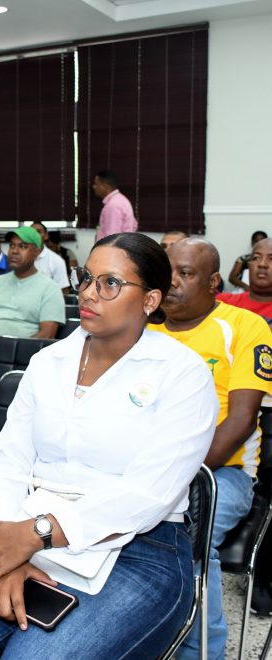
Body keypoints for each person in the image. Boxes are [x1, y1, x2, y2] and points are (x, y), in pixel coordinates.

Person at [0, 232, 219, 660]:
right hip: (21, 525)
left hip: (137, 547)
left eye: (110, 283)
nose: (89, 293)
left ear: (150, 300)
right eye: (86, 278)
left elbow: (148, 495)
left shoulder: (182, 373)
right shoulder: (49, 362)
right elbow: (9, 461)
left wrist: (35, 536)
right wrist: (6, 547)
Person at [148, 237, 272, 660]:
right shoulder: (143, 330)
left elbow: (239, 423)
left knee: (191, 532)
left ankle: (202, 652)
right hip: (144, 466)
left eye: (185, 274)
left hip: (219, 474)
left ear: (214, 282)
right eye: (167, 274)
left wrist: (168, 474)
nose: (172, 283)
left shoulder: (244, 326)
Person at [0, 227, 64, 373]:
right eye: (12, 245)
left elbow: (47, 336)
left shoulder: (50, 288)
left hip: (22, 364)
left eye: (22, 246)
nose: (14, 251)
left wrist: (2, 357)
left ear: (36, 252)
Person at [218, 237, 272, 324]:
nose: (262, 264)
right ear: (249, 266)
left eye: (271, 259)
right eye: (256, 258)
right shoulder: (222, 302)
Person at [92, 170, 138, 242]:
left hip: (113, 248)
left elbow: (112, 239)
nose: (94, 187)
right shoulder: (120, 200)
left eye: (96, 184)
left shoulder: (113, 205)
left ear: (105, 185)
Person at [30, 222, 70, 292]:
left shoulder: (56, 261)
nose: (34, 235)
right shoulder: (20, 258)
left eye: (38, 232)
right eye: (31, 232)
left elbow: (63, 291)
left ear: (46, 236)